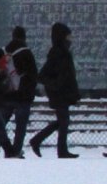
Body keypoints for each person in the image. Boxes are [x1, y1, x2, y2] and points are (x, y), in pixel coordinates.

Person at [26, 23, 80, 159]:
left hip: (62, 92)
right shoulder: (58, 53)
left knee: (63, 121)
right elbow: (43, 75)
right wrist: (56, 84)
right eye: (68, 36)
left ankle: (38, 140)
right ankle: (61, 150)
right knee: (64, 121)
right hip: (60, 93)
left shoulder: (61, 52)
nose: (70, 39)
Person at [3, 26, 39, 159]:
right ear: (24, 37)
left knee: (1, 124)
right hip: (23, 95)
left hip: (7, 93)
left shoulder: (4, 52)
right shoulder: (26, 53)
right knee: (21, 126)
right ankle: (16, 150)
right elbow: (32, 74)